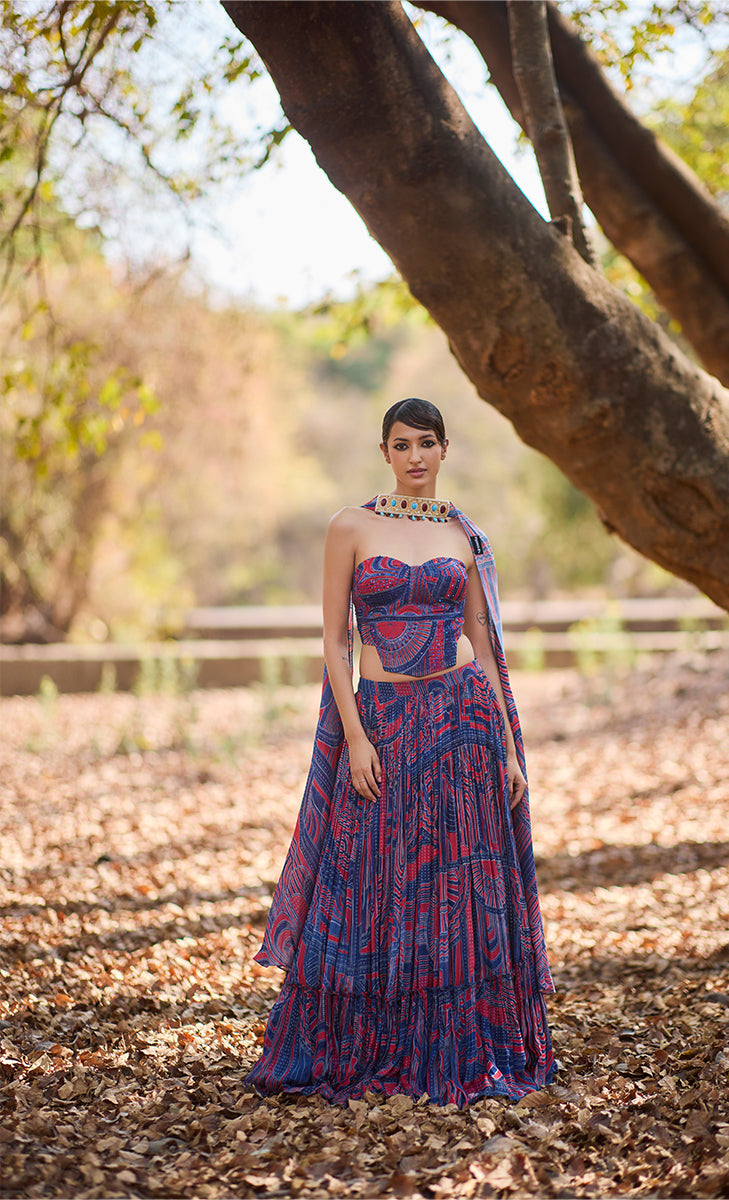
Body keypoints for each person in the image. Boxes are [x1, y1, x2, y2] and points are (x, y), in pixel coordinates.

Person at [245, 397, 556, 1107]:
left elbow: (483, 642)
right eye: (401, 444)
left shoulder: (461, 534)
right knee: (373, 884)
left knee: (459, 891)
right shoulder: (350, 526)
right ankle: (370, 1048)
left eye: (426, 443)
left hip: (462, 725)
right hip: (383, 724)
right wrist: (355, 736)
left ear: (445, 450)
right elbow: (334, 639)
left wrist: (508, 748)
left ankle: (463, 1051)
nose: (414, 456)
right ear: (384, 452)